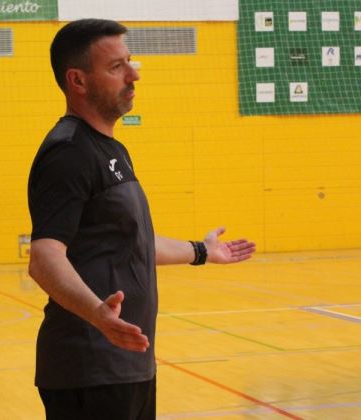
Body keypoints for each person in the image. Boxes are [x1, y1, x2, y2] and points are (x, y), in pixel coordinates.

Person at [27, 19, 256, 420]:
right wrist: (97, 312)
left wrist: (203, 251)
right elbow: (44, 257)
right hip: (90, 369)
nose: (133, 75)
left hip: (126, 365)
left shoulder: (110, 150)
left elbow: (132, 244)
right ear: (77, 80)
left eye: (130, 63)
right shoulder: (68, 153)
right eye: (117, 67)